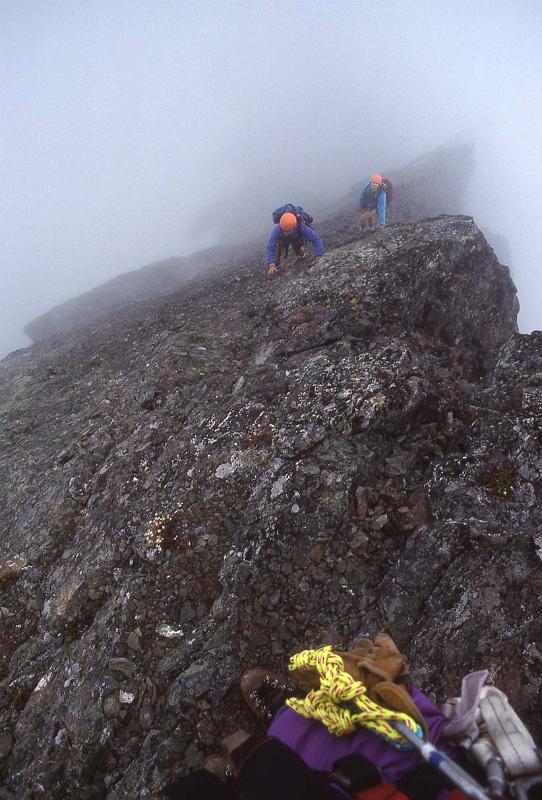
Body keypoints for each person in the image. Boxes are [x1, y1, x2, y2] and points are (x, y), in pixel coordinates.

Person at [266, 212, 325, 276]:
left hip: (297, 239)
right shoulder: (277, 230)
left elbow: (315, 239)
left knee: (298, 250)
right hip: (283, 241)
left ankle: (301, 255)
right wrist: (272, 264)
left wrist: (319, 255)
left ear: (294, 228)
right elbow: (271, 246)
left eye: (287, 231)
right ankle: (276, 264)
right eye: (283, 231)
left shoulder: (301, 227)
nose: (285, 233)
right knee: (278, 253)